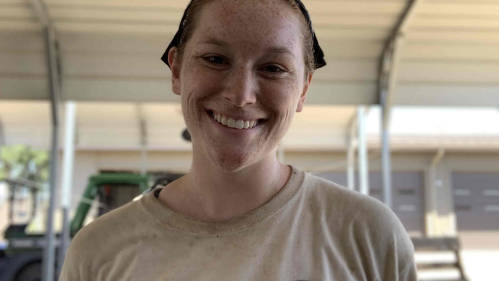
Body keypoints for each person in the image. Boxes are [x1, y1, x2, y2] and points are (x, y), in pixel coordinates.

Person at [60, 0, 417, 280]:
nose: (241, 95)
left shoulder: (367, 235)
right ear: (177, 70)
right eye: (215, 59)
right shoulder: (98, 251)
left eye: (273, 68)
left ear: (304, 88)